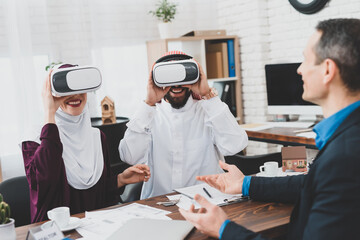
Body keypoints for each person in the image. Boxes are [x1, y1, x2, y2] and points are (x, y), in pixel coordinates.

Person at [179, 18, 360, 239]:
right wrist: (244, 183)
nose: (300, 70)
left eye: (305, 60)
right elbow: (310, 183)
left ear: (328, 70)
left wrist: (224, 228)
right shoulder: (347, 139)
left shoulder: (345, 155)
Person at [21, 64, 151, 223]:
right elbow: (46, 180)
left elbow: (99, 196)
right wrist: (50, 113)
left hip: (94, 228)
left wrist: (121, 179)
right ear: (52, 94)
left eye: (79, 88)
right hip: (54, 231)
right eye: (65, 91)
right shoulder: (35, 138)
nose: (74, 96)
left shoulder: (97, 137)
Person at [119, 51, 248, 199]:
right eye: (169, 76)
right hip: (160, 205)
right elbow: (129, 156)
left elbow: (236, 145)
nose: (176, 84)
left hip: (207, 202)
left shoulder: (208, 110)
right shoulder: (149, 115)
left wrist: (208, 96)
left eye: (181, 74)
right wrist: (148, 104)